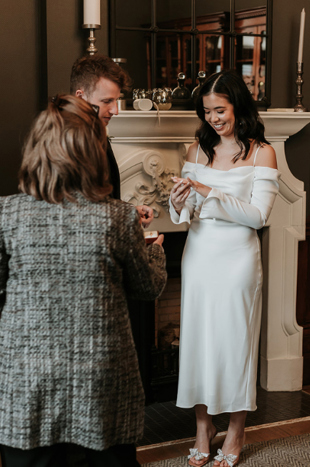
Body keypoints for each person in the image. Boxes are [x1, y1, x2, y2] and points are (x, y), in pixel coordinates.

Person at [0, 95, 167, 467]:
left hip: (27, 384)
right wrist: (154, 248)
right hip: (100, 384)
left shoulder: (6, 214)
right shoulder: (117, 218)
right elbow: (148, 286)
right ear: (92, 154)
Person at [168, 70, 279, 467]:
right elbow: (184, 213)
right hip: (199, 254)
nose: (213, 118)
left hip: (237, 260)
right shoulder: (196, 150)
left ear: (238, 106)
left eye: (220, 110)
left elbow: (258, 216)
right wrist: (179, 199)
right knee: (198, 342)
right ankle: (203, 427)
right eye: (207, 112)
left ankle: (235, 430)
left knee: (235, 344)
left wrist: (207, 191)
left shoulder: (262, 152)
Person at [70, 54, 154, 227]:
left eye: (116, 100)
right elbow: (79, 213)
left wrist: (127, 213)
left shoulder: (94, 132)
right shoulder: (67, 142)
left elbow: (99, 201)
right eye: (107, 101)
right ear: (80, 97)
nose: (115, 110)